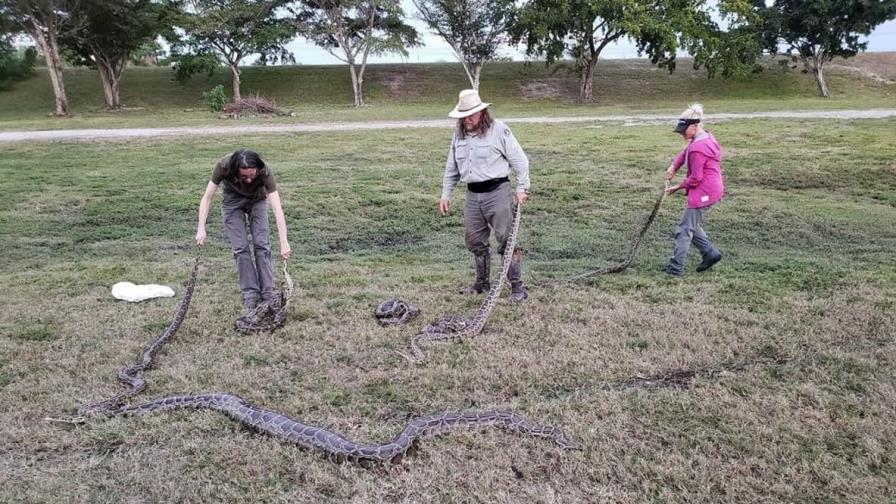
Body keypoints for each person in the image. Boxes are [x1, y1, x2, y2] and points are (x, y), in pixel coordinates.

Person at [439, 89, 531, 302]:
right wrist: (446, 194)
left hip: (498, 192)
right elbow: (451, 167)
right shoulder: (458, 134)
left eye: (471, 115)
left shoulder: (499, 130)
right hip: (473, 195)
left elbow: (520, 161)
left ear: (482, 112)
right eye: (463, 116)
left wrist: (522, 188)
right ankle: (481, 284)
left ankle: (518, 288)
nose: (467, 119)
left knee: (506, 239)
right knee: (475, 241)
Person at [195, 149, 291, 313]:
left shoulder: (264, 171)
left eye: (252, 175)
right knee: (241, 249)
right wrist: (201, 228)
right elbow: (207, 197)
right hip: (232, 202)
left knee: (262, 245)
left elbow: (277, 208)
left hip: (257, 201)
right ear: (234, 170)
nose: (248, 180)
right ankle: (251, 293)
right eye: (243, 176)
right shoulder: (224, 165)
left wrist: (284, 242)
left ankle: (268, 292)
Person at [663, 103, 724, 277]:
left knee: (684, 230)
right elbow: (685, 153)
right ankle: (710, 253)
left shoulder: (699, 147)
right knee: (691, 224)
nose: (682, 134)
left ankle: (674, 269)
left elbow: (696, 178)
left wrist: (678, 186)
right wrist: (673, 167)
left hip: (705, 191)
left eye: (684, 130)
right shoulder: (703, 137)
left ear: (695, 126)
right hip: (711, 188)